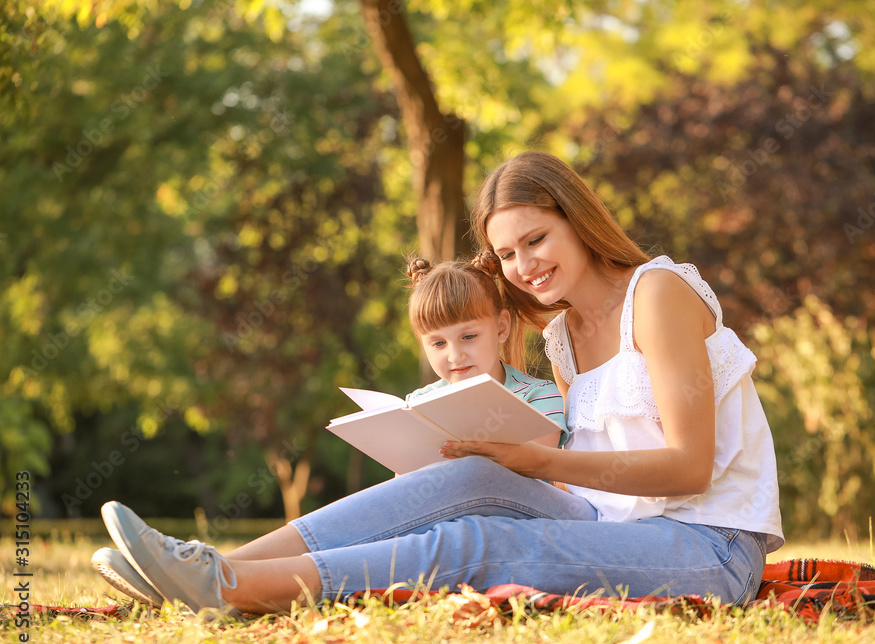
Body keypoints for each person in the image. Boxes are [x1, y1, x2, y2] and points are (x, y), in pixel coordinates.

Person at [95, 150, 783, 617]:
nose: (524, 266)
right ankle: (204, 566)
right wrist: (501, 458)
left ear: (578, 219)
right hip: (616, 527)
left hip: (707, 547)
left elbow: (690, 467)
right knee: (463, 483)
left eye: (536, 239)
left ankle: (230, 586)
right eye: (507, 253)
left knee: (483, 540)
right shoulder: (562, 336)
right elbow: (589, 487)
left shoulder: (657, 292)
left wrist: (539, 461)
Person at [92, 254, 568, 610]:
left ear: (502, 327)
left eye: (469, 336)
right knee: (378, 516)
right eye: (437, 343)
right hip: (438, 518)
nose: (454, 355)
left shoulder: (542, 395)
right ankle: (200, 571)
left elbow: (546, 472)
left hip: (516, 521)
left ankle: (207, 573)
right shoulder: (423, 403)